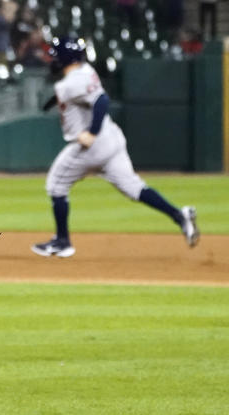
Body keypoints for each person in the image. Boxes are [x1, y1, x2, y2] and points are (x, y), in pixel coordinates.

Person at [32, 36, 199, 258]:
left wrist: (91, 132)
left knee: (56, 185)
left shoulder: (69, 84)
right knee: (134, 187)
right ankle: (180, 216)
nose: (51, 60)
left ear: (64, 58)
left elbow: (101, 101)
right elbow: (86, 94)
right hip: (112, 138)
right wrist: (56, 100)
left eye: (54, 56)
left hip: (92, 145)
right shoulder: (84, 71)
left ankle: (62, 242)